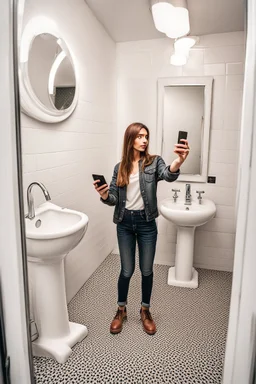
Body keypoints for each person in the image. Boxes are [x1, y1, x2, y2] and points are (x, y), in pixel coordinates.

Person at [93, 122, 189, 335]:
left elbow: (168, 174)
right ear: (131, 139)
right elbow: (114, 197)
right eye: (140, 136)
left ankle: (145, 311)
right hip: (124, 223)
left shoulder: (154, 162)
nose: (145, 140)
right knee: (127, 270)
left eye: (146, 136)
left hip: (146, 224)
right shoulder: (119, 167)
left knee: (146, 270)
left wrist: (178, 161)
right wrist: (104, 195)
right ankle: (121, 310)